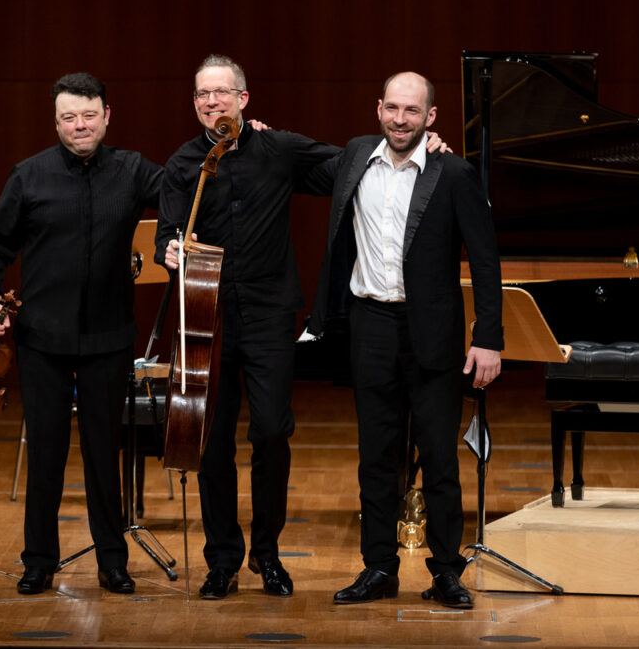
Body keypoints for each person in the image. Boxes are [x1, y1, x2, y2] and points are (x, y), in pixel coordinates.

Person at [154, 56, 447, 600]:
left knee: (271, 431)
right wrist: (169, 249)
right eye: (202, 95)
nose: (212, 102)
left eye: (222, 93)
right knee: (212, 441)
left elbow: (356, 163)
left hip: (269, 314)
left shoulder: (278, 148)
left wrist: (422, 148)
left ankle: (267, 555)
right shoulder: (182, 164)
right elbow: (168, 233)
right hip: (205, 314)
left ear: (243, 99)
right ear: (195, 103)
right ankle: (222, 560)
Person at [305, 72, 503, 608]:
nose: (400, 119)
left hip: (433, 332)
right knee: (376, 457)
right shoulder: (355, 157)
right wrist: (252, 130)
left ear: (431, 117)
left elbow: (485, 261)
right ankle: (378, 568)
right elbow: (296, 162)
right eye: (392, 108)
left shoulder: (454, 173)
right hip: (370, 326)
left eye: (412, 111)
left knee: (439, 458)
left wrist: (488, 337)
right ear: (378, 108)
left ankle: (446, 572)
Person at [0, 72, 161, 596]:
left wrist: (236, 141)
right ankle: (39, 561)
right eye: (68, 117)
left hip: (108, 338)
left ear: (107, 116)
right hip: (43, 340)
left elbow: (186, 190)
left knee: (104, 454)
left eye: (88, 115)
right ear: (56, 122)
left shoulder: (133, 170)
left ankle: (112, 562)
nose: (79, 125)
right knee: (47, 453)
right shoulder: (28, 176)